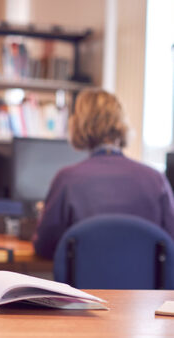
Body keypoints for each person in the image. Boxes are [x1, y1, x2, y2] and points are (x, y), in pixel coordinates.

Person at [34, 89, 174, 259]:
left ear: (78, 125)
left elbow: (44, 246)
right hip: (145, 286)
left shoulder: (67, 179)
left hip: (82, 285)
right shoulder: (156, 180)